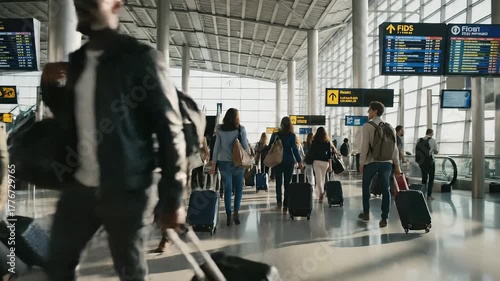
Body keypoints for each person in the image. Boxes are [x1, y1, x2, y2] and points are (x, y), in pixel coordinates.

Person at [43, 1, 188, 280]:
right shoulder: (78, 61)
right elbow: (69, 118)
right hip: (79, 187)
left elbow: (170, 130)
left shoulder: (141, 59)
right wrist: (49, 86)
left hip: (126, 189)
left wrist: (173, 200)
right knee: (57, 263)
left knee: (129, 270)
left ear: (117, 5)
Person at [358, 101, 401, 228]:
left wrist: (361, 163)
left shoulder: (367, 126)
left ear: (375, 111)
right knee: (386, 189)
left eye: (369, 110)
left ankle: (366, 213)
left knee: (366, 187)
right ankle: (384, 218)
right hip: (386, 163)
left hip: (371, 162)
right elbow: (395, 148)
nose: (368, 112)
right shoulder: (390, 127)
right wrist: (397, 165)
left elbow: (364, 146)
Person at [210, 108, 248, 226]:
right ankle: (236, 213)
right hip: (238, 163)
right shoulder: (241, 129)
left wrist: (213, 164)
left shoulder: (220, 129)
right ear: (236, 117)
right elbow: (245, 147)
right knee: (238, 189)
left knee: (227, 189)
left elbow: (216, 148)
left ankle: (228, 214)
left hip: (224, 163)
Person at [267, 117, 302, 212]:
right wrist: (299, 161)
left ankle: (279, 200)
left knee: (278, 182)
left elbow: (270, 146)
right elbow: (294, 149)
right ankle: (286, 204)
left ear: (281, 124)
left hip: (278, 161)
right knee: (287, 183)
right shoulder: (291, 136)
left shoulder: (275, 134)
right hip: (289, 161)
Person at [310, 127, 333, 202]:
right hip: (325, 162)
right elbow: (330, 154)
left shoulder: (314, 141)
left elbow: (312, 152)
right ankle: (321, 193)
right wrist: (330, 165)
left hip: (316, 161)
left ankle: (321, 193)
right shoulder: (327, 142)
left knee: (318, 178)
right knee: (322, 178)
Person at [416, 128, 439, 200]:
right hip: (430, 162)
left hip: (422, 162)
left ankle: (422, 194)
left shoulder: (419, 140)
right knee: (431, 178)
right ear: (431, 133)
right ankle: (429, 195)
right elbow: (436, 151)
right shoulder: (433, 140)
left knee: (424, 178)